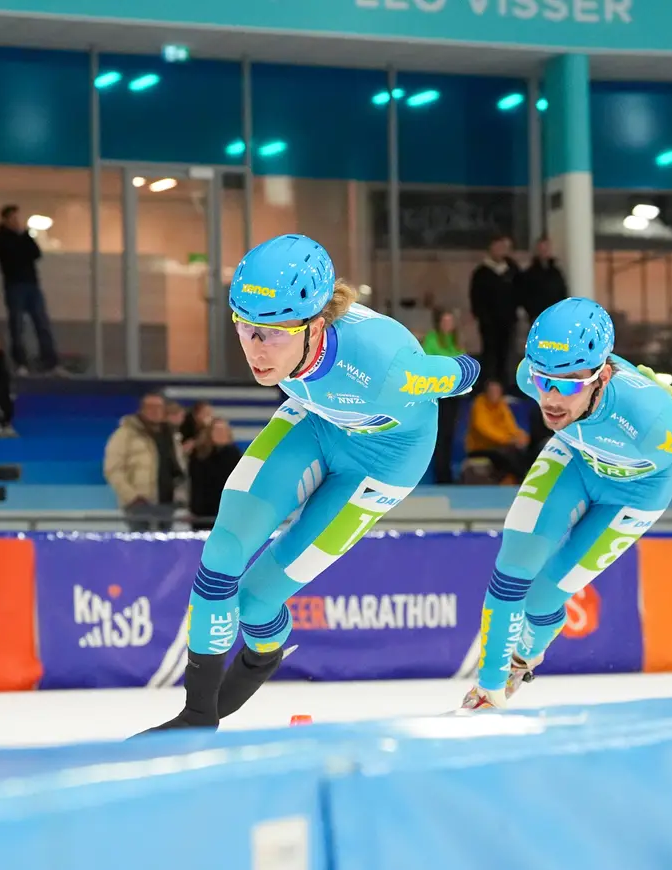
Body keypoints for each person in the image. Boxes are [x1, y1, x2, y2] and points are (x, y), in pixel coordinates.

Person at [140, 233, 479, 733]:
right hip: (317, 421)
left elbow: (466, 371)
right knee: (223, 552)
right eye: (244, 327)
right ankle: (197, 715)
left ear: (315, 327)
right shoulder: (287, 338)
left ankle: (260, 659)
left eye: (272, 333)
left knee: (257, 602)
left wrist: (442, 374)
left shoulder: (386, 368)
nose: (255, 349)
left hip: (383, 461)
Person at [459, 297, 672, 711]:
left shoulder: (651, 421)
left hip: (637, 490)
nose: (550, 397)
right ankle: (490, 687)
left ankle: (525, 656)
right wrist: (488, 690)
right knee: (514, 566)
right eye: (542, 378)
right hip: (576, 459)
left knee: (543, 598)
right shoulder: (529, 378)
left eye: (567, 384)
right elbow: (562, 374)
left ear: (601, 377)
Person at [0, 205, 62, 375]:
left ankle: (49, 360)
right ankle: (20, 361)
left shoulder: (24, 236)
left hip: (32, 284)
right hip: (15, 285)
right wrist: (20, 242)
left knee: (42, 322)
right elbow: (10, 256)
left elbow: (36, 253)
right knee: (17, 325)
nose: (17, 222)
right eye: (13, 218)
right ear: (5, 220)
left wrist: (24, 236)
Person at [103, 391, 187, 532]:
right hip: (139, 503)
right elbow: (112, 469)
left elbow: (179, 466)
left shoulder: (171, 435)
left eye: (158, 407)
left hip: (167, 502)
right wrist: (132, 497)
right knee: (140, 548)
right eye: (150, 407)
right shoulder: (125, 434)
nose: (155, 411)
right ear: (142, 409)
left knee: (164, 548)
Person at [422, 309, 467, 484]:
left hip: (454, 393)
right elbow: (428, 361)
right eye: (444, 321)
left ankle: (447, 474)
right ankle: (440, 475)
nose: (448, 325)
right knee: (439, 434)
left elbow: (463, 361)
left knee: (450, 434)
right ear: (439, 323)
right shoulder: (432, 338)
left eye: (450, 321)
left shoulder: (457, 340)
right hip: (438, 394)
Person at [469, 234, 519, 386]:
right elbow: (475, 296)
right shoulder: (481, 272)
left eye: (502, 248)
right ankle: (488, 386)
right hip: (489, 323)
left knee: (506, 355)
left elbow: (520, 292)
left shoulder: (512, 271)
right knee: (490, 355)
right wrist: (481, 316)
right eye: (496, 247)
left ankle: (505, 387)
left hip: (507, 321)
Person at [465, 379, 530, 483]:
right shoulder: (479, 404)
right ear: (486, 392)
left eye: (497, 391)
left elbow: (510, 425)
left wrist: (520, 436)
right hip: (480, 448)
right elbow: (485, 430)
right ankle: (521, 480)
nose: (495, 394)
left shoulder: (501, 404)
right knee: (507, 454)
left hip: (500, 446)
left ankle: (517, 480)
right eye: (492, 391)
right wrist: (508, 440)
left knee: (519, 451)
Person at [188, 418, 242, 531]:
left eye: (224, 430)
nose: (221, 434)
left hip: (228, 511)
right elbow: (195, 485)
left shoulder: (235, 454)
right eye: (217, 430)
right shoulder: (199, 455)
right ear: (209, 434)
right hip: (203, 513)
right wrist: (194, 510)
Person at [516, 236, 568, 323]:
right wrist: (532, 313)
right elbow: (524, 296)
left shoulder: (556, 272)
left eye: (546, 249)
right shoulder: (529, 273)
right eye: (541, 249)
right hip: (538, 317)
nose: (544, 252)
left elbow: (562, 292)